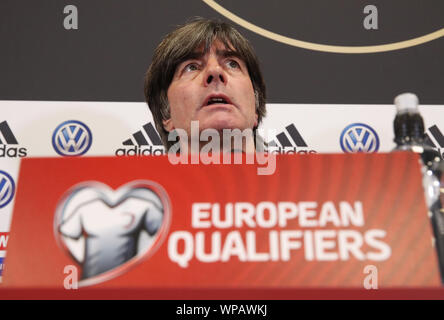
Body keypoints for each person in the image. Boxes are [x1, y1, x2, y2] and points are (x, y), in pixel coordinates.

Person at [144, 17, 267, 153]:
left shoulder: (294, 173)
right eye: (191, 67)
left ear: (256, 106)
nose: (215, 71)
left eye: (232, 64)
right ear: (165, 113)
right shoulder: (129, 175)